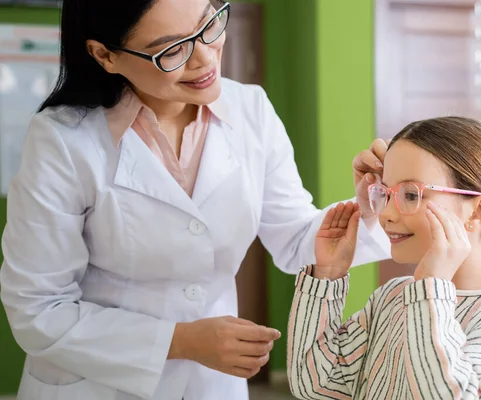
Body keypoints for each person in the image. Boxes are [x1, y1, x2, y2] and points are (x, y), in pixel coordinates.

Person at [0, 1, 391, 399]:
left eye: (209, 24)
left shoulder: (251, 110)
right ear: (105, 55)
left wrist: (372, 205)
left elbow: (295, 238)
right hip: (96, 385)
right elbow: (38, 309)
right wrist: (182, 341)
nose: (206, 57)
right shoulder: (63, 139)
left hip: (212, 386)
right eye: (172, 49)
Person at [288, 117, 481, 399]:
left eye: (410, 194)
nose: (386, 214)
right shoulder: (392, 297)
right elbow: (316, 384)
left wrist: (431, 290)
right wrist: (328, 274)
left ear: (478, 212)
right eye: (384, 193)